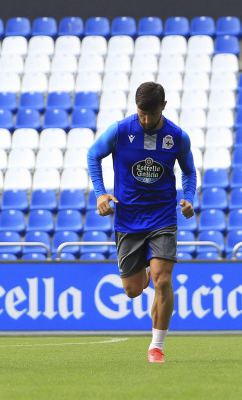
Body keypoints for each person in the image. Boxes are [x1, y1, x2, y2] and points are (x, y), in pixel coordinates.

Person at [87, 81, 197, 363]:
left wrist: (189, 198)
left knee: (163, 281)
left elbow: (189, 172)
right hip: (128, 219)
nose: (145, 120)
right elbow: (93, 155)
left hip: (162, 216)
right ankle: (146, 274)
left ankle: (156, 346)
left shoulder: (177, 136)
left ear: (164, 106)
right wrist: (101, 194)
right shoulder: (121, 130)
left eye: (151, 113)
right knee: (133, 290)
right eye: (141, 113)